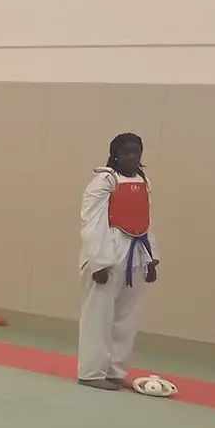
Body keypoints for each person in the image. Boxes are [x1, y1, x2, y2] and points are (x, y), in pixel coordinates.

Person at [78, 133, 159, 390]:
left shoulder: (143, 181)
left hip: (136, 253)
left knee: (126, 319)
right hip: (109, 252)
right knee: (99, 317)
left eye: (137, 152)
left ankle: (115, 370)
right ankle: (91, 371)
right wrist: (99, 262)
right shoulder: (104, 181)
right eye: (126, 152)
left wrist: (151, 259)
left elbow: (145, 221)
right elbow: (92, 223)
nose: (132, 157)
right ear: (115, 155)